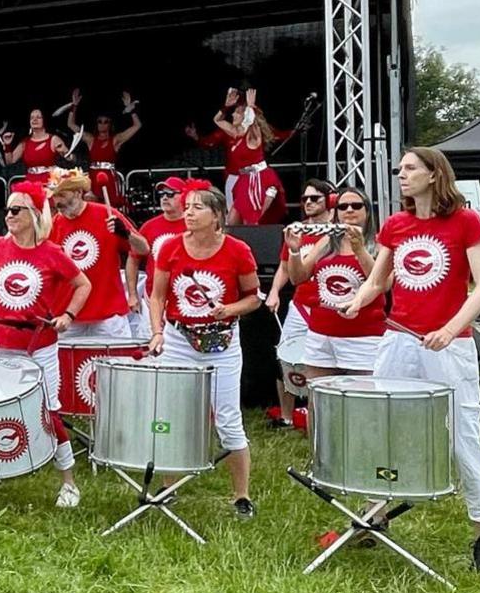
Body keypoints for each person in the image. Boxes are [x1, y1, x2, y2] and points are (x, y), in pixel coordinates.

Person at [340, 147, 480, 572]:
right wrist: (356, 301)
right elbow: (378, 281)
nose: (401, 174)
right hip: (399, 341)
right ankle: (374, 515)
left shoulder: (465, 221)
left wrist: (450, 329)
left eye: (410, 168)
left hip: (451, 346)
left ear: (434, 174)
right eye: (400, 169)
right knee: (384, 425)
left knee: (463, 434)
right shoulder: (397, 224)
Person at [0, 181, 92, 504]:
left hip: (40, 346)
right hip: (2, 342)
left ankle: (68, 482)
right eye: (7, 209)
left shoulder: (51, 253)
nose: (8, 215)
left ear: (34, 214)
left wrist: (68, 316)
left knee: (50, 411)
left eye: (16, 209)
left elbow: (82, 284)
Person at [147, 181, 260, 519]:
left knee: (227, 418)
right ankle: (169, 487)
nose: (188, 213)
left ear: (217, 216)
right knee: (170, 414)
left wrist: (230, 309)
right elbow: (157, 296)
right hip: (180, 339)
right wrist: (157, 333)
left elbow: (254, 297)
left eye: (197, 207)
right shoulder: (170, 248)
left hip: (222, 342)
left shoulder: (238, 250)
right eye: (188, 206)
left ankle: (242, 495)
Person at [289, 185, 383, 383]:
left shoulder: (379, 243)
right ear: (335, 212)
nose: (349, 210)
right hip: (321, 332)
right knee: (319, 398)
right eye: (342, 206)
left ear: (367, 210)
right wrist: (294, 252)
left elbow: (382, 282)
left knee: (363, 398)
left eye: (356, 205)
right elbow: (298, 278)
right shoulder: (325, 242)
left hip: (363, 336)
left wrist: (359, 249)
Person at [264, 179, 334, 427]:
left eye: (315, 198)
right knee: (285, 358)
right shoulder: (297, 231)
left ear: (330, 200)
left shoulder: (339, 232)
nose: (309, 203)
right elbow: (284, 267)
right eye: (305, 199)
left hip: (329, 307)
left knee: (326, 364)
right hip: (300, 305)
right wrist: (274, 292)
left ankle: (325, 418)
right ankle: (285, 416)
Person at [49, 170, 148, 339]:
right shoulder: (54, 224)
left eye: (62, 195)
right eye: (54, 196)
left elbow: (143, 249)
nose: (57, 201)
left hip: (108, 313)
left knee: (115, 363)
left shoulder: (108, 215)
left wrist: (126, 234)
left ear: (78, 192)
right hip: (68, 315)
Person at [209, 87, 289, 225]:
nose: (233, 115)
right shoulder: (235, 133)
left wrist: (251, 107)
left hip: (258, 178)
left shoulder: (252, 135)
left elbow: (252, 123)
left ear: (245, 117)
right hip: (244, 179)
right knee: (232, 221)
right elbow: (217, 120)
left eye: (237, 112)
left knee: (251, 222)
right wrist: (226, 107)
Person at [126, 178, 188, 339]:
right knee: (152, 342)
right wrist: (132, 294)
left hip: (185, 299)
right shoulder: (149, 226)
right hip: (152, 297)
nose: (164, 198)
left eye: (170, 194)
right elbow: (133, 260)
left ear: (184, 196)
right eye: (161, 194)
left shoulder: (193, 225)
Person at [67, 89, 142, 206]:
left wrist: (130, 109)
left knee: (110, 207)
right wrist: (74, 106)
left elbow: (137, 125)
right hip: (92, 176)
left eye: (105, 121)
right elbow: (71, 124)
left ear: (110, 124)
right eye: (99, 121)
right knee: (92, 206)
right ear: (96, 123)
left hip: (109, 178)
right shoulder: (90, 139)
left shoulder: (116, 139)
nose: (102, 124)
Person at [0, 107, 69, 184]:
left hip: (51, 182)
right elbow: (10, 162)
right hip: (31, 183)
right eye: (32, 118)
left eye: (38, 117)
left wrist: (67, 154)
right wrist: (7, 146)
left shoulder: (54, 139)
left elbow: (71, 158)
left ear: (44, 120)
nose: (34, 119)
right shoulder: (25, 142)